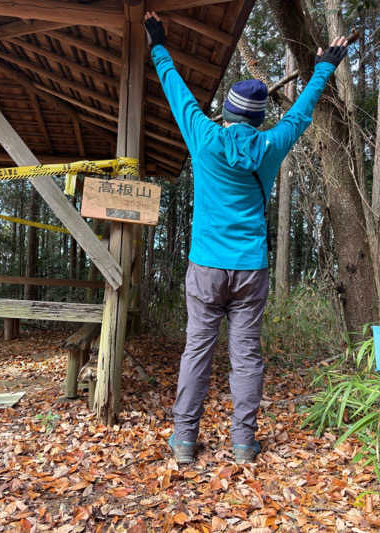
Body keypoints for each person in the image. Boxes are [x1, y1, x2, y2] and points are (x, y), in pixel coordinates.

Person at [140, 13, 350, 464]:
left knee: (197, 350)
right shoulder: (272, 145)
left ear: (230, 111)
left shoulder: (204, 135)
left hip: (206, 265)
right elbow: (302, 110)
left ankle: (183, 442)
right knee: (247, 356)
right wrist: (326, 65)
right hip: (250, 268)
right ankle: (242, 445)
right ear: (257, 118)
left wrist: (158, 42)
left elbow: (175, 89)